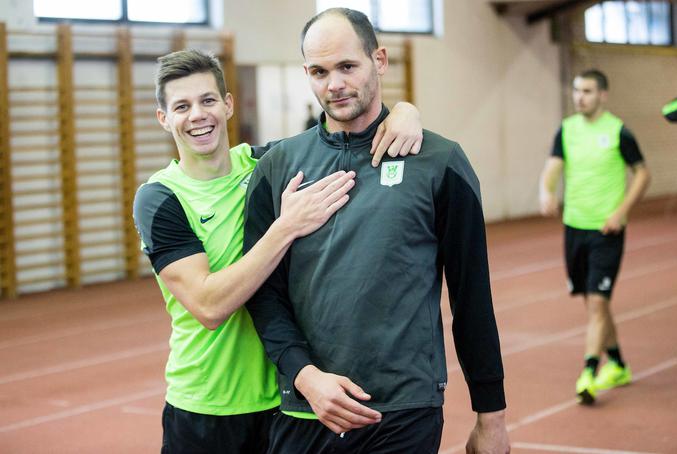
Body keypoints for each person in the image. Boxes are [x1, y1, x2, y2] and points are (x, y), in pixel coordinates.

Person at [244, 8, 509, 454]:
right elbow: (263, 292)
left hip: (404, 410)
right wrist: (306, 377)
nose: (334, 84)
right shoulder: (277, 167)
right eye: (319, 71)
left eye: (348, 66)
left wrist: (492, 418)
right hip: (307, 408)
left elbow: (472, 297)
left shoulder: (439, 162)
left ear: (379, 61)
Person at [132, 49, 423, 453]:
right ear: (164, 118)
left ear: (228, 105)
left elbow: (343, 131)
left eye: (208, 100)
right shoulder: (159, 198)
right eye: (182, 106)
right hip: (206, 409)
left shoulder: (267, 164)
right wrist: (285, 227)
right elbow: (209, 305)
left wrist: (406, 111)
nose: (198, 115)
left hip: (286, 405)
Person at [539, 69, 651, 405]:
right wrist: (546, 190)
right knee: (593, 303)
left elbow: (643, 173)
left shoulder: (618, 131)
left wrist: (621, 212)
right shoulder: (567, 130)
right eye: (576, 91)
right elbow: (553, 168)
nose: (580, 97)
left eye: (587, 91)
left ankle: (589, 371)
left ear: (602, 94)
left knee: (598, 303)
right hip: (575, 228)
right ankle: (617, 363)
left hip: (607, 230)